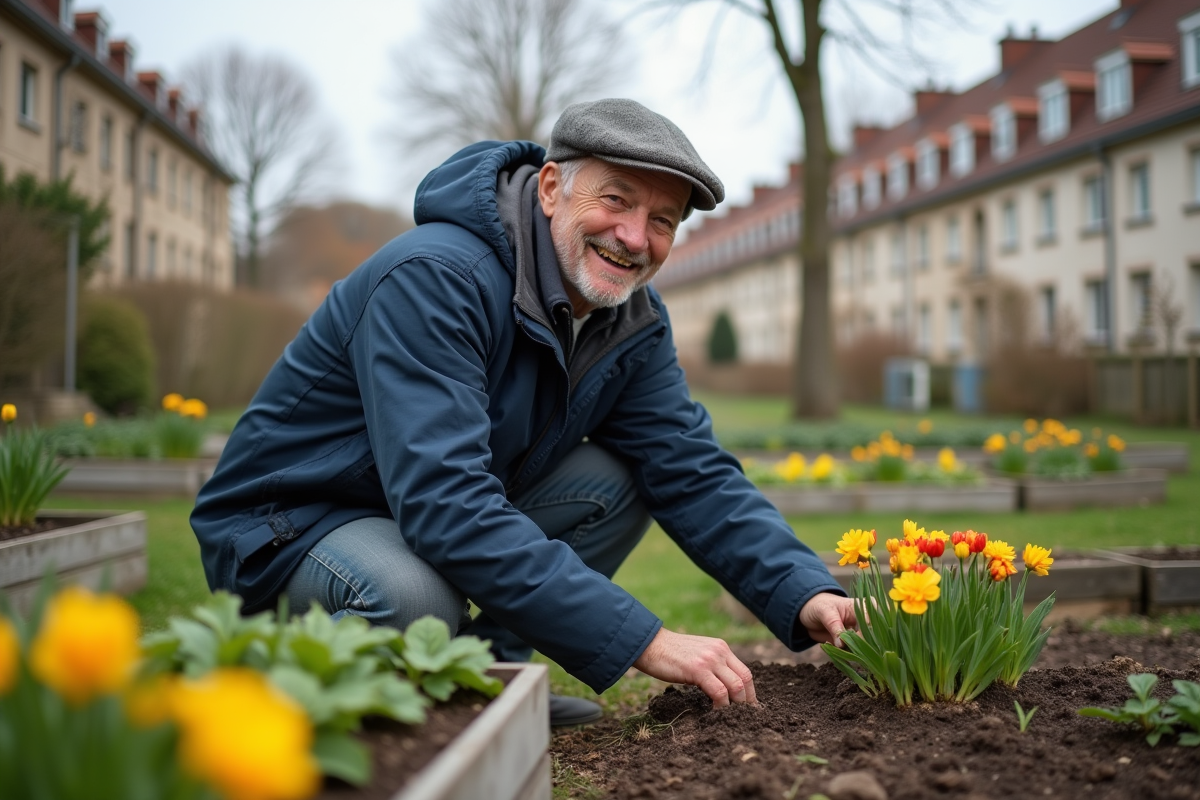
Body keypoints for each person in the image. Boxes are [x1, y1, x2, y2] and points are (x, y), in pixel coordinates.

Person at [191, 98, 856, 727]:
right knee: (415, 597)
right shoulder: (437, 278)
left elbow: (689, 468)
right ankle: (331, 696)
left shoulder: (632, 321)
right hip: (292, 527)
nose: (634, 237)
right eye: (616, 199)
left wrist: (803, 590)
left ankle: (485, 681)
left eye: (663, 219)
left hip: (404, 513)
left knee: (621, 478)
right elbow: (446, 505)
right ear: (548, 190)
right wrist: (644, 641)